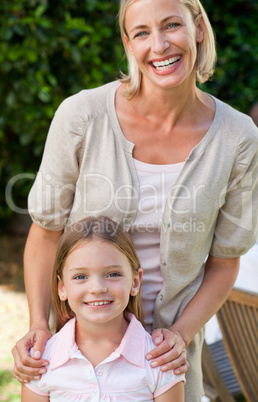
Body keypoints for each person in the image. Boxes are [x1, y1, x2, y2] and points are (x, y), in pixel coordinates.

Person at [12, 0, 258, 400]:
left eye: (171, 25)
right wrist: (39, 323)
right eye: (142, 32)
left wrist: (178, 335)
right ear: (128, 42)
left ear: (198, 28)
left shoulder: (239, 138)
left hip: (167, 361)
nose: (159, 45)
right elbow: (44, 234)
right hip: (80, 354)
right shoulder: (82, 116)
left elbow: (225, 262)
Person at [21, 216, 185, 401]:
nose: (97, 288)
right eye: (81, 276)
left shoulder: (162, 360)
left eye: (112, 274)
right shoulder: (41, 360)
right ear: (62, 288)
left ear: (135, 281)